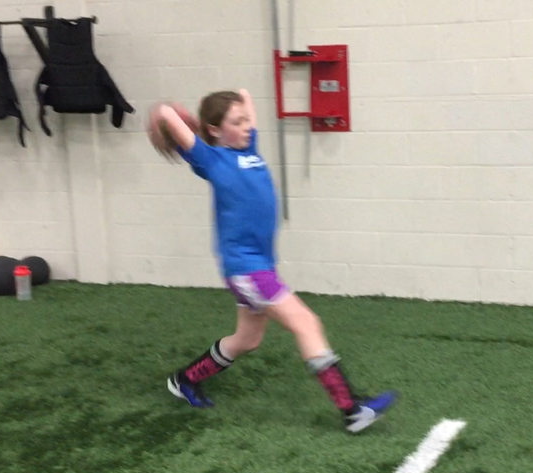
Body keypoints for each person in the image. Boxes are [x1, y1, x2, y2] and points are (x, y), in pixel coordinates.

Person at [147, 89, 397, 433]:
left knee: (247, 340)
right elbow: (169, 119)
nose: (247, 126)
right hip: (247, 268)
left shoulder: (249, 149)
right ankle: (351, 409)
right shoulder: (211, 159)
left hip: (259, 265)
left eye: (246, 120)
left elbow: (245, 96)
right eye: (237, 123)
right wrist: (169, 111)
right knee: (306, 323)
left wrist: (237, 106)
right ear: (215, 130)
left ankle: (185, 380)